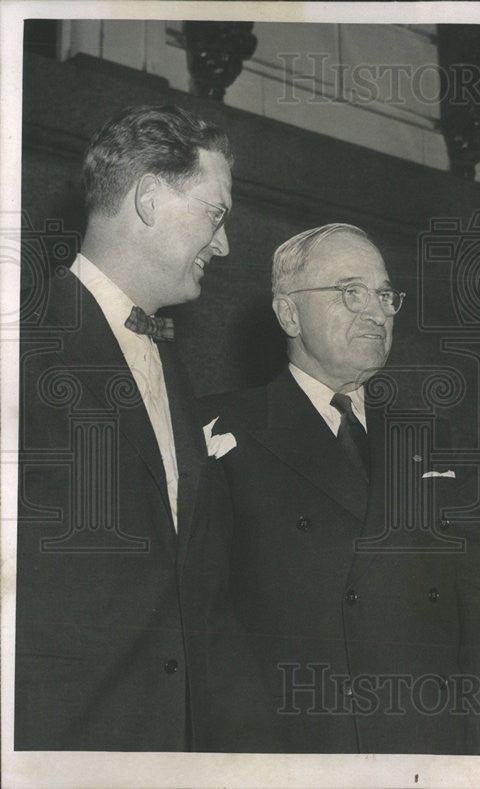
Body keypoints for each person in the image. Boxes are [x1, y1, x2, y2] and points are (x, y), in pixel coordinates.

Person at [200, 223, 480, 753]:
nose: (376, 312)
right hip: (300, 747)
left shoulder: (433, 438)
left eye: (384, 295)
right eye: (350, 291)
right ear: (289, 313)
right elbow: (205, 624)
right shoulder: (221, 431)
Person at [17, 104, 233, 750]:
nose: (225, 244)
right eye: (216, 214)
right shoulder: (24, 342)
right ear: (148, 200)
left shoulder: (176, 371)